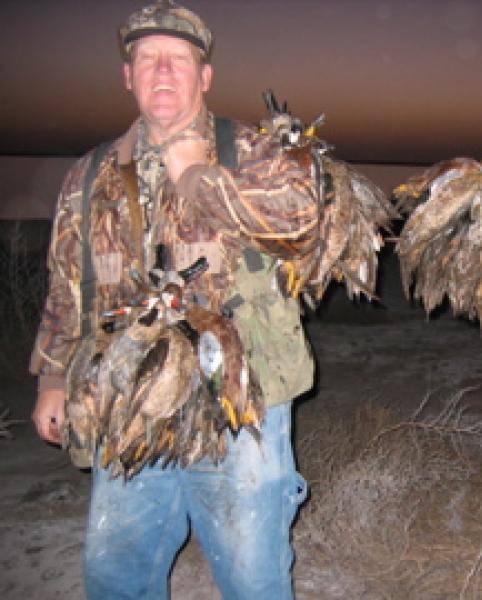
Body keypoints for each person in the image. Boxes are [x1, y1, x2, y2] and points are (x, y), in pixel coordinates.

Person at [29, 1, 318, 598]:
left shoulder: (254, 151)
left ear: (204, 76)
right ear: (127, 75)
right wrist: (53, 377)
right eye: (147, 59)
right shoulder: (90, 175)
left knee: (253, 576)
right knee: (117, 572)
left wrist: (198, 179)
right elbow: (67, 281)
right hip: (128, 400)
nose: (162, 71)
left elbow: (302, 225)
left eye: (178, 59)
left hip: (240, 401)